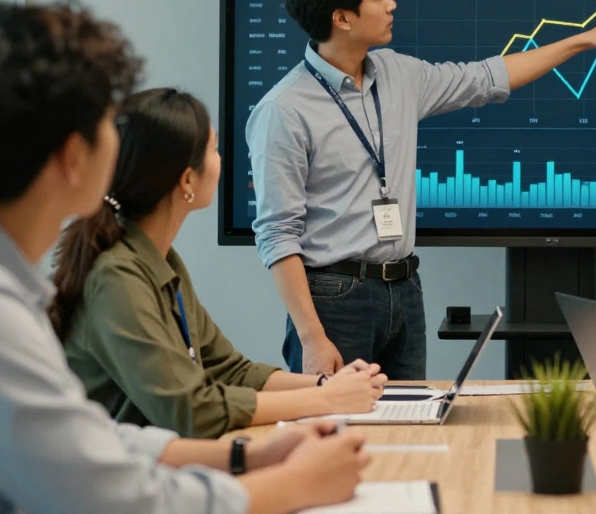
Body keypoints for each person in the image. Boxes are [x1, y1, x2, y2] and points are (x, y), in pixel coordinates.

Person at [0, 0, 368, 514]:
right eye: (107, 123)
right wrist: (295, 484)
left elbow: (86, 439)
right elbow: (108, 497)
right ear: (72, 157)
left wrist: (240, 457)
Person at [248, 0, 596, 379]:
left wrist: (583, 41)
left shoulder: (397, 73)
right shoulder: (283, 111)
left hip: (404, 289)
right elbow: (278, 235)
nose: (392, 3)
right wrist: (312, 338)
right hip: (335, 300)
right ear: (341, 18)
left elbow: (487, 78)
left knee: (412, 430)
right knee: (343, 433)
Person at [51, 88, 387, 438]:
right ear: (186, 180)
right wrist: (326, 400)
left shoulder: (162, 260)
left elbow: (230, 371)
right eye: (213, 149)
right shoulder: (116, 278)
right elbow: (191, 410)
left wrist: (323, 386)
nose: (222, 158)